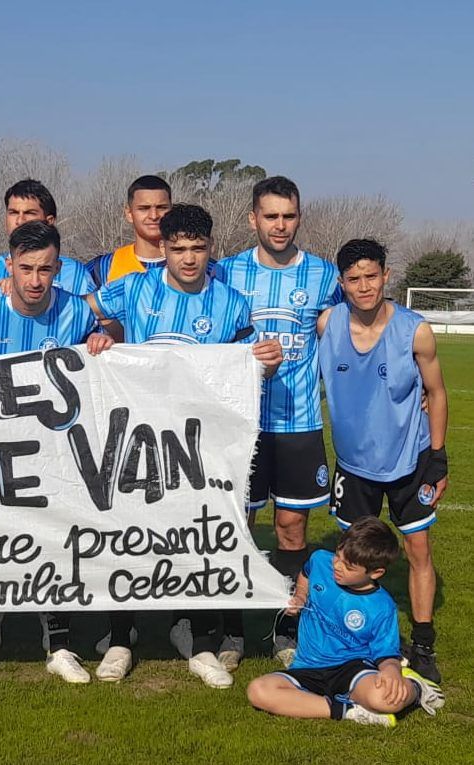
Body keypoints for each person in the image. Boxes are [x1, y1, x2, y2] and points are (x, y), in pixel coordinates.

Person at [87, 204, 283, 688]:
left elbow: (250, 367)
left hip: (200, 446)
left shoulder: (231, 303)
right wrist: (95, 336)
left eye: (198, 248)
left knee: (199, 539)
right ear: (164, 248)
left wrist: (268, 362)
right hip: (137, 438)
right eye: (178, 249)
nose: (189, 258)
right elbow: (75, 309)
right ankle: (120, 639)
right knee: (128, 537)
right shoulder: (133, 288)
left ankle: (199, 643)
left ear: (211, 248)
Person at [0, 221, 112, 684]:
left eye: (45, 269)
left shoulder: (76, 312)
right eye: (26, 269)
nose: (36, 280)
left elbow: (102, 358)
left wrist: (102, 342)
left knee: (56, 541)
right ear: (9, 266)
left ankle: (59, 644)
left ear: (58, 268)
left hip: (54, 450)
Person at [213, 176, 340, 670]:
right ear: (253, 219)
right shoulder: (226, 272)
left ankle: (286, 628)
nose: (280, 225)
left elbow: (358, 331)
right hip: (239, 424)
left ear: (299, 217)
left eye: (288, 216)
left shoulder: (323, 275)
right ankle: (231, 632)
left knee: (290, 530)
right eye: (271, 216)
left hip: (298, 424)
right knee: (235, 527)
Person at [317, 238, 448, 683]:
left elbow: (437, 393)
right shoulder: (328, 323)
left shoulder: (415, 330)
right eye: (354, 279)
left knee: (418, 549)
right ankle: (352, 639)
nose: (364, 286)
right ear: (342, 283)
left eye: (371, 276)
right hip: (353, 464)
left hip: (410, 460)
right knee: (352, 554)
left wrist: (438, 458)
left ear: (386, 275)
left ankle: (423, 645)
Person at [245, 517, 444, 726]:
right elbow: (306, 574)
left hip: (352, 669)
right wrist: (301, 596)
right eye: (338, 556)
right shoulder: (320, 560)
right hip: (306, 666)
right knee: (258, 691)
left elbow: (386, 653)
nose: (337, 566)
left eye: (348, 566)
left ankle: (417, 688)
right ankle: (348, 711)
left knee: (384, 699)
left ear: (375, 572)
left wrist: (391, 671)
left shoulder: (382, 606)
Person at [0, 179, 93, 299]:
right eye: (13, 213)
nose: (19, 220)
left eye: (29, 213)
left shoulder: (75, 274)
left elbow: (89, 314)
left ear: (49, 221)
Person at [85, 175, 173, 287]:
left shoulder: (190, 265)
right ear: (129, 213)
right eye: (144, 208)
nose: (154, 216)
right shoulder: (102, 268)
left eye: (161, 207)